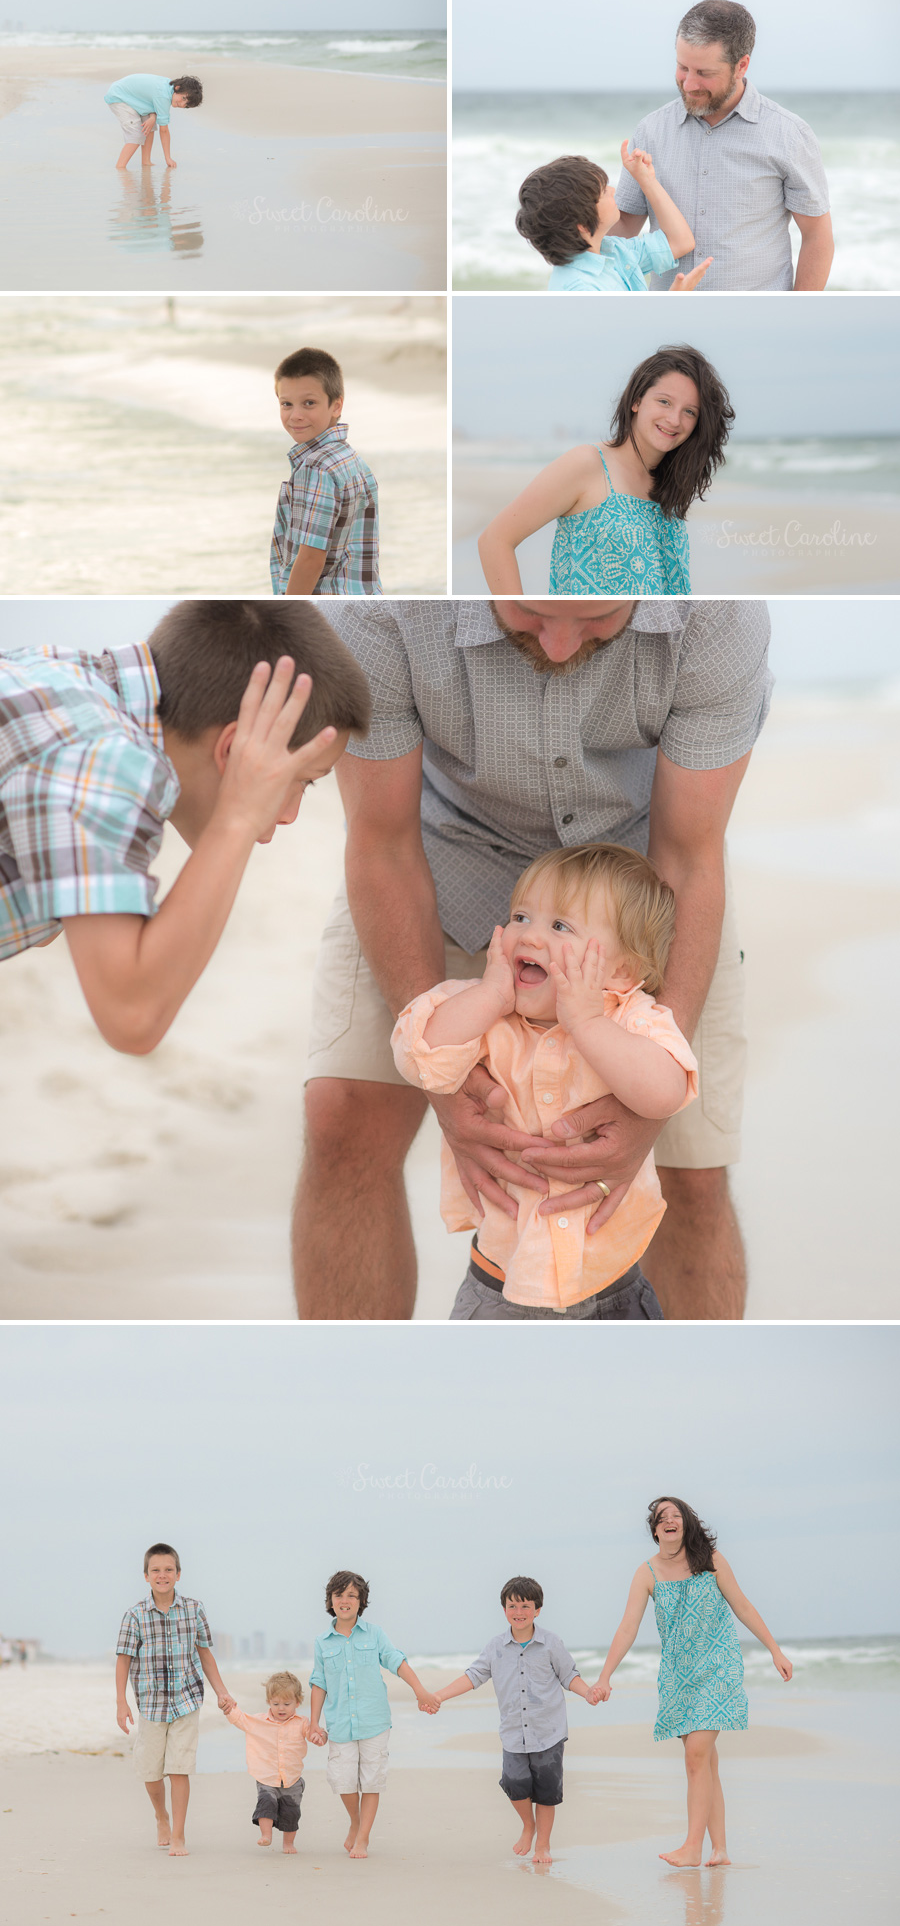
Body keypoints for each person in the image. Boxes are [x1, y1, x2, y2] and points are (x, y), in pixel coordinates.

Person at [296, 595, 773, 1322]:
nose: (556, 646)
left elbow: (688, 853)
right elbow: (381, 842)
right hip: (433, 868)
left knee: (692, 1180)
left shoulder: (718, 617)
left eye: (597, 623)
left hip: (639, 906)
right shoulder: (383, 614)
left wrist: (655, 1094)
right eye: (525, 617)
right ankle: (349, 1407)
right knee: (342, 1121)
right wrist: (442, 1078)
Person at [0, 598, 370, 1049]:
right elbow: (132, 1016)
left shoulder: (58, 681)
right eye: (301, 782)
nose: (289, 813)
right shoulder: (103, 755)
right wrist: (236, 818)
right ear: (234, 752)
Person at [392, 839, 697, 1318]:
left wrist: (589, 1025)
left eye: (559, 926)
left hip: (611, 1285)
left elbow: (666, 1093)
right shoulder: (483, 1010)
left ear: (622, 970)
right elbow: (418, 1056)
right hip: (496, 1280)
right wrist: (491, 995)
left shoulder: (631, 1018)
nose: (529, 936)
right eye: (519, 917)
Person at [595, 1496, 793, 1868]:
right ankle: (720, 1850)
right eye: (661, 1518)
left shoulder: (712, 1562)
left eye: (676, 1515)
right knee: (706, 1764)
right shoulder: (646, 1573)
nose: (669, 1521)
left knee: (695, 1757)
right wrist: (605, 1676)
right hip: (677, 1676)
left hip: (718, 1667)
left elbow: (743, 1607)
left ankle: (692, 1847)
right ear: (655, 1530)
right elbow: (628, 1627)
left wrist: (774, 1650)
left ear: (686, 1523)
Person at [613, 0, 834, 290]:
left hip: (756, 319)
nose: (689, 84)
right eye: (683, 68)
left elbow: (817, 236)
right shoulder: (651, 130)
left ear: (741, 66)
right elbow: (625, 225)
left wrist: (798, 319)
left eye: (704, 73)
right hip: (668, 315)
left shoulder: (789, 134)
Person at [478, 347, 735, 599]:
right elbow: (495, 540)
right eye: (664, 402)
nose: (675, 419)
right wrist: (522, 625)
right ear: (636, 401)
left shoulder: (667, 484)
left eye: (689, 411)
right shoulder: (588, 464)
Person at [431, 1576, 600, 1870]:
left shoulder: (550, 1643)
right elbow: (473, 1676)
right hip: (513, 1732)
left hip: (548, 1731)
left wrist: (587, 1692)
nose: (518, 1611)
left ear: (537, 1609)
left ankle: (543, 1843)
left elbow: (568, 1675)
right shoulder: (496, 1646)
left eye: (525, 1605)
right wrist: (439, 1696)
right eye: (512, 1605)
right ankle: (527, 1825)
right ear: (504, 1609)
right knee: (514, 1783)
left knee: (547, 1792)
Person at [307, 1569, 439, 1860]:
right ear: (330, 1600)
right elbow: (319, 1682)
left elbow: (396, 1661)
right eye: (339, 1595)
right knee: (342, 1781)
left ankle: (363, 1837)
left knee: (371, 1780)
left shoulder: (375, 1634)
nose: (345, 1600)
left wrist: (420, 1690)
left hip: (374, 1721)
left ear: (361, 1600)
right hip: (340, 1723)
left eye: (351, 1595)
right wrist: (313, 1722)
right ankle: (355, 1822)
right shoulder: (322, 1642)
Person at [115, 1541, 236, 1860]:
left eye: (168, 1569)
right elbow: (124, 1660)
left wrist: (222, 1691)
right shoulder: (135, 1615)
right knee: (151, 1773)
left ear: (178, 1574)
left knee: (180, 1769)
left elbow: (205, 1654)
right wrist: (121, 1701)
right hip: (151, 1704)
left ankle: (179, 1835)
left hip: (187, 1700)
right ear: (146, 1576)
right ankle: (161, 1816)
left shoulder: (194, 1609)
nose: (162, 1575)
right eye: (156, 1570)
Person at [515, 140, 712, 292]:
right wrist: (671, 303)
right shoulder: (580, 289)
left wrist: (647, 180)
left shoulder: (613, 251)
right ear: (582, 224)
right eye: (602, 192)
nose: (612, 190)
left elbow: (681, 241)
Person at [270, 344, 381, 595]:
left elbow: (310, 559)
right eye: (286, 404)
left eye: (309, 403)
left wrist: (288, 611)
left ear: (336, 406)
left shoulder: (317, 468)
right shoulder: (351, 458)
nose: (295, 415)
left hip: (325, 601)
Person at [223, 1670, 311, 1854]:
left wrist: (320, 1736)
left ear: (298, 1702)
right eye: (275, 1703)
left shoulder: (302, 1723)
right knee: (266, 1803)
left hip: (292, 1779)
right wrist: (229, 1708)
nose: (281, 1708)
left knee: (291, 1812)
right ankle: (266, 1835)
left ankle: (288, 1843)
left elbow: (314, 1734)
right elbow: (241, 1720)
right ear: (268, 1701)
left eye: (287, 1704)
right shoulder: (259, 1721)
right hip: (266, 1775)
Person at [103, 67, 202, 173]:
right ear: (177, 88)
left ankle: (146, 161)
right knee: (136, 134)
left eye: (186, 105)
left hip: (135, 98)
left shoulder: (168, 88)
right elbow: (164, 130)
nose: (182, 104)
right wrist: (168, 158)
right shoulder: (163, 96)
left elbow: (151, 100)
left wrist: (152, 116)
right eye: (183, 98)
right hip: (119, 97)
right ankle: (120, 167)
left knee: (150, 124)